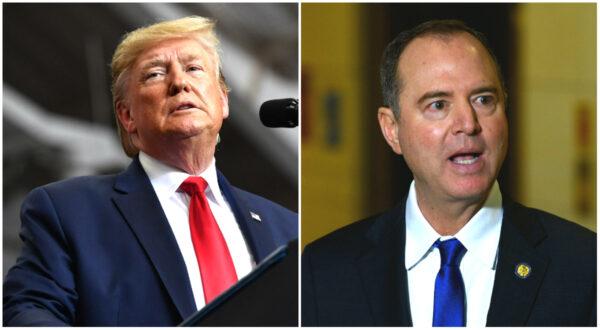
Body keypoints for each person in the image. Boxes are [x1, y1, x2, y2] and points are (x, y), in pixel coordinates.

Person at [4, 16, 297, 326]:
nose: (179, 83)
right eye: (155, 74)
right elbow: (28, 313)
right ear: (127, 115)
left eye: (194, 69)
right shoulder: (69, 213)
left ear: (222, 101)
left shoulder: (288, 228)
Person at [301, 20, 596, 327]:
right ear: (392, 129)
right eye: (438, 105)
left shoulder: (584, 266)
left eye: (483, 100)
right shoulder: (325, 271)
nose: (468, 123)